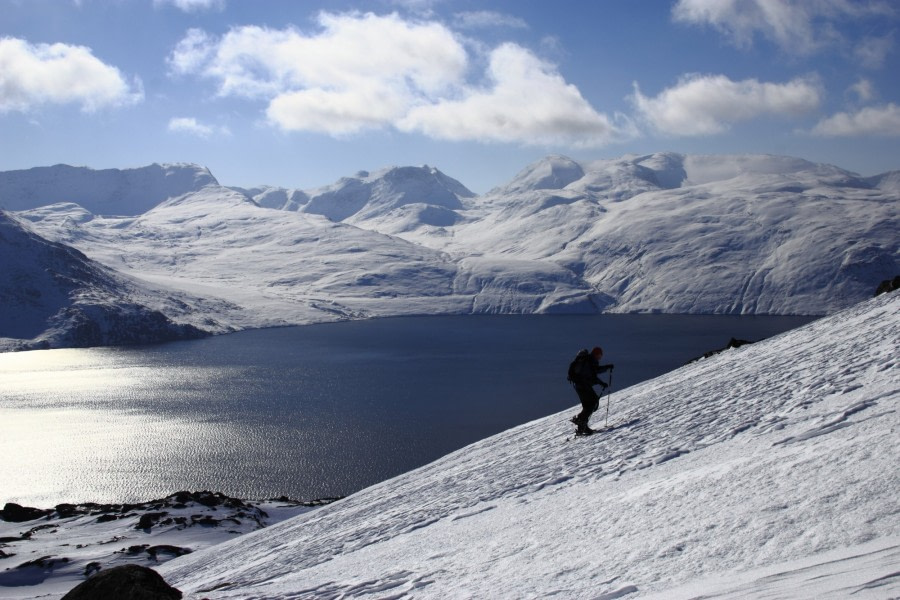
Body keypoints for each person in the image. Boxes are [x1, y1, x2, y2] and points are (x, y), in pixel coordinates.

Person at [570, 346, 614, 435]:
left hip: (578, 385)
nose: (600, 358)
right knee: (593, 403)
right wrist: (606, 368)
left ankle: (581, 426)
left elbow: (592, 375)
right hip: (583, 385)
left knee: (588, 405)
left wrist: (601, 383)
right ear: (596, 354)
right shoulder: (590, 360)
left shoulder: (586, 361)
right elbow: (594, 372)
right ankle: (580, 421)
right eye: (600, 355)